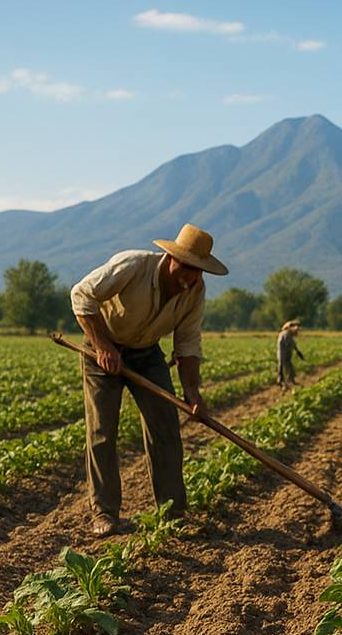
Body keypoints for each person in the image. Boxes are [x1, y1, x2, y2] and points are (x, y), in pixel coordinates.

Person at [69, 223, 227, 537]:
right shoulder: (132, 265)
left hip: (146, 353)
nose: (190, 277)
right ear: (171, 258)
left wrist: (192, 391)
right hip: (103, 346)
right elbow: (81, 295)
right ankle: (105, 513)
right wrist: (103, 347)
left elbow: (188, 342)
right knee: (103, 429)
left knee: (166, 425)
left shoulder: (195, 292)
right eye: (186, 268)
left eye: (197, 272)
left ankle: (173, 514)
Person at [276, 320, 306, 388]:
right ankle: (281, 381)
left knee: (288, 366)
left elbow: (293, 344)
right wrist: (297, 351)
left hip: (287, 353)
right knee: (281, 366)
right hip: (283, 353)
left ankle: (290, 380)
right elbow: (288, 344)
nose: (297, 332)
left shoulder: (289, 334)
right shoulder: (285, 334)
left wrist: (298, 352)